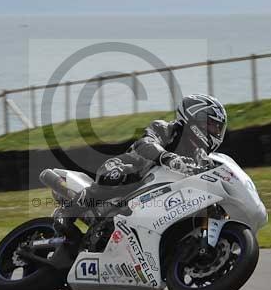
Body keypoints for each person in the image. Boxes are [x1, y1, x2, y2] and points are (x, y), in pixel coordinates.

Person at [60, 94, 227, 220]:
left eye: (218, 128)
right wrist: (167, 157)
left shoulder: (201, 156)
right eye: (211, 125)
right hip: (132, 170)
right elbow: (145, 143)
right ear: (194, 118)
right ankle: (70, 211)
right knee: (117, 174)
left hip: (160, 199)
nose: (215, 132)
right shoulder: (165, 128)